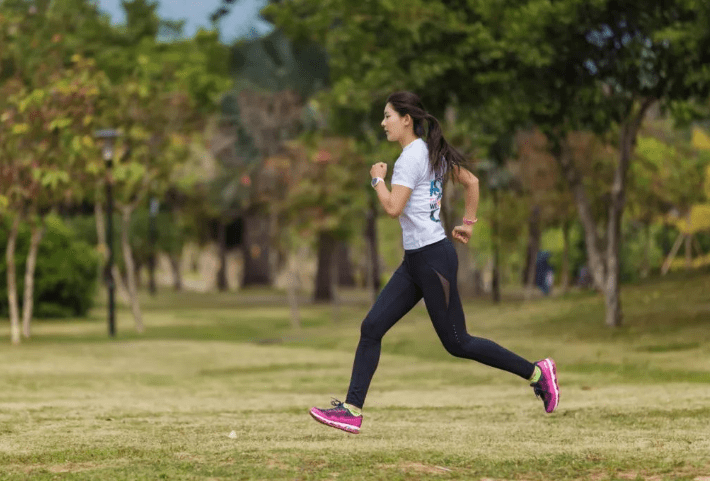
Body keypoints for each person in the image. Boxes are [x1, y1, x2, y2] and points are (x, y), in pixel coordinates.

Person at [309, 92, 559, 434]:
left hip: (432, 259)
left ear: (406, 119)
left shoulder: (411, 158)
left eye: (388, 116)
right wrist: (467, 224)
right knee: (371, 328)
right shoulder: (429, 151)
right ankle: (351, 410)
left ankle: (536, 373)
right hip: (416, 260)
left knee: (458, 342)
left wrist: (376, 179)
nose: (383, 123)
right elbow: (471, 182)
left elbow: (393, 207)